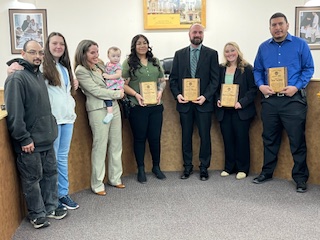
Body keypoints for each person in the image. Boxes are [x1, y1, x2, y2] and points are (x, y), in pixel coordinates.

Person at [7, 32, 80, 210]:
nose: (58, 47)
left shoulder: (64, 67)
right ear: (47, 46)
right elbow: (20, 69)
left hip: (67, 117)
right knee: (51, 164)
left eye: (61, 44)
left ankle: (63, 194)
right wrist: (11, 68)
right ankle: (53, 199)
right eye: (54, 43)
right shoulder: (40, 67)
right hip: (50, 121)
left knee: (61, 158)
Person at [253, 12, 314, 193]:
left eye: (280, 24)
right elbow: (257, 70)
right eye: (274, 25)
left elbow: (308, 68)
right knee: (269, 139)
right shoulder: (263, 48)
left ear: (287, 25)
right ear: (270, 28)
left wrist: (296, 86)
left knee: (297, 141)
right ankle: (267, 172)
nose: (277, 28)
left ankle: (301, 179)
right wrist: (261, 86)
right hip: (270, 101)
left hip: (293, 100)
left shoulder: (300, 45)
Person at [74, 40, 125, 195]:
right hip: (98, 110)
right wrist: (117, 94)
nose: (96, 55)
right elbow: (95, 91)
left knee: (116, 144)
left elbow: (114, 78)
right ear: (83, 54)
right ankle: (97, 184)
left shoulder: (100, 65)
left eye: (97, 51)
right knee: (100, 146)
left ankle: (115, 178)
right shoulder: (81, 70)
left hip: (114, 107)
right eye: (92, 52)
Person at [169, 23, 219, 181]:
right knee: (186, 136)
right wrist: (177, 95)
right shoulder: (179, 54)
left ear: (203, 34)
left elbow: (214, 80)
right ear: (189, 34)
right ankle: (187, 167)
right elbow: (173, 80)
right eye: (194, 32)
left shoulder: (212, 54)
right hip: (184, 104)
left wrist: (205, 96)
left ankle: (204, 168)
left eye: (200, 32)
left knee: (205, 136)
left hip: (203, 104)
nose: (197, 34)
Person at [122, 34, 166, 183]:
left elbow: (162, 80)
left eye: (145, 43)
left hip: (155, 106)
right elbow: (123, 84)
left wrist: (160, 91)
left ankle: (156, 166)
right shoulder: (129, 63)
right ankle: (141, 168)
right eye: (139, 43)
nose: (142, 45)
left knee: (155, 138)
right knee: (139, 138)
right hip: (137, 106)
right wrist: (136, 95)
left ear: (148, 45)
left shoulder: (155, 61)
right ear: (134, 46)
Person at [216, 42, 257, 180]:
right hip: (225, 110)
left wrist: (242, 102)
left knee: (241, 139)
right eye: (227, 51)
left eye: (232, 50)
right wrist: (218, 99)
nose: (230, 53)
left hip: (241, 110)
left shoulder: (247, 68)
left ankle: (242, 168)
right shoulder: (221, 69)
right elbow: (216, 88)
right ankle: (229, 167)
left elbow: (253, 89)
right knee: (228, 139)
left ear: (237, 51)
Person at [102, 46, 125, 124]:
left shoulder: (118, 65)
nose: (116, 58)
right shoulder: (107, 64)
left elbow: (118, 75)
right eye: (113, 56)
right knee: (107, 96)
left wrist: (108, 76)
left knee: (108, 96)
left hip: (115, 84)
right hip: (109, 84)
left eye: (118, 56)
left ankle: (110, 112)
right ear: (108, 56)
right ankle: (110, 112)